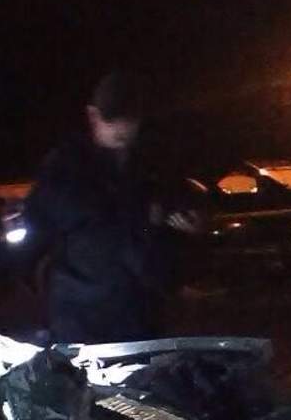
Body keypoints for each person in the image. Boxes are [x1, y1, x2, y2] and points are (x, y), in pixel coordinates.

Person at [23, 72, 200, 344]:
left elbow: (182, 204)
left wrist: (191, 223)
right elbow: (37, 229)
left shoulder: (154, 163)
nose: (120, 127)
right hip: (80, 319)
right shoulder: (65, 167)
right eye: (111, 118)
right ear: (92, 115)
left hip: (141, 315)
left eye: (128, 119)